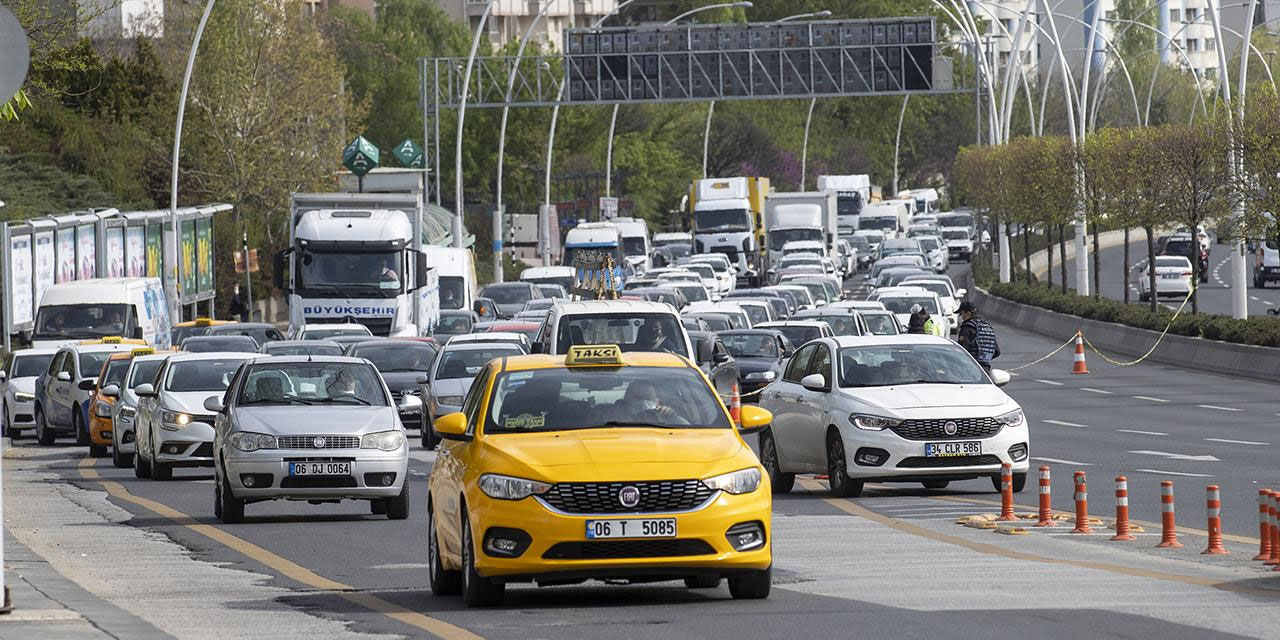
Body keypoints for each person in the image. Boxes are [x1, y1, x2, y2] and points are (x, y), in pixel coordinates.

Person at [956, 301, 1000, 371]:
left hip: (970, 369)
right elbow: (996, 351)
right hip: (985, 370)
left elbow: (963, 351)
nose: (962, 317)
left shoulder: (967, 327)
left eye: (962, 314)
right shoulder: (987, 326)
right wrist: (984, 358)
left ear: (968, 313)